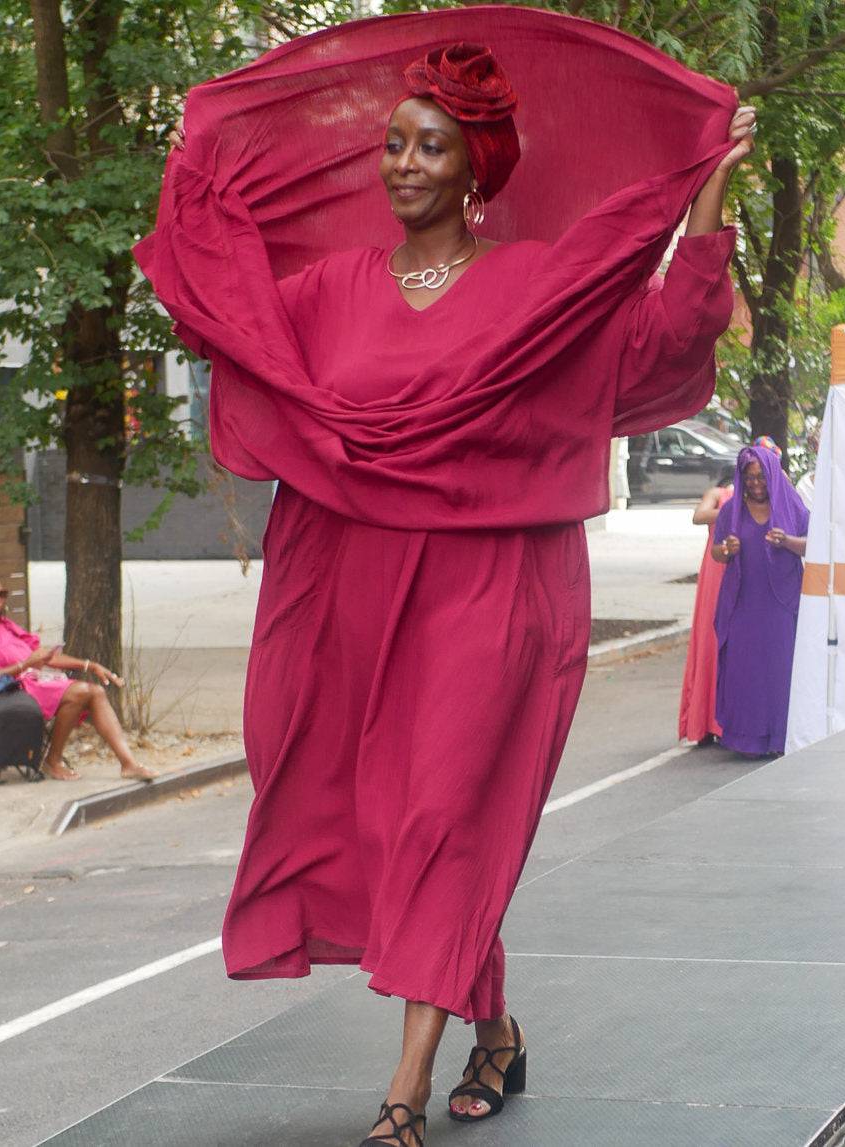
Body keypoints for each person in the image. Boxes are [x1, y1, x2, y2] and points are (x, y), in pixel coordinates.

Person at [137, 12, 754, 1146]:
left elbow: (661, 340)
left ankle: (403, 1090)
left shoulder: (532, 286)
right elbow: (235, 329)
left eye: (429, 145)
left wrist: (704, 191)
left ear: (477, 168)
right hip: (351, 582)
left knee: (447, 809)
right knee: (388, 817)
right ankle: (496, 1030)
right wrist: (193, 187)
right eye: (392, 143)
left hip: (492, 585)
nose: (403, 164)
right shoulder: (327, 290)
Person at [0, 573, 157, 782]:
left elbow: (47, 658)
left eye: (2, 594)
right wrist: (25, 665)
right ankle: (53, 759)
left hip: (32, 684)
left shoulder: (6, 626)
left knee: (95, 691)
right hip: (5, 693)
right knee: (83, 692)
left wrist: (90, 665)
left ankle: (128, 764)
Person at [711, 443, 809, 757]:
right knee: (745, 671)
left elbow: (812, 544)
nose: (755, 484)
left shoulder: (790, 503)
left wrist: (787, 541)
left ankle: (781, 737)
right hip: (743, 602)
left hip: (781, 602)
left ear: (772, 475)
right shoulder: (731, 510)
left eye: (761, 477)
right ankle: (746, 740)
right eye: (749, 478)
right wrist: (727, 550)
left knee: (780, 670)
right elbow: (716, 552)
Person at [678, 479, 734, 743]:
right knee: (710, 639)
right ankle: (704, 719)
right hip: (716, 571)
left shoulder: (763, 494)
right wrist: (736, 508)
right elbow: (699, 516)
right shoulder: (719, 494)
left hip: (742, 568)